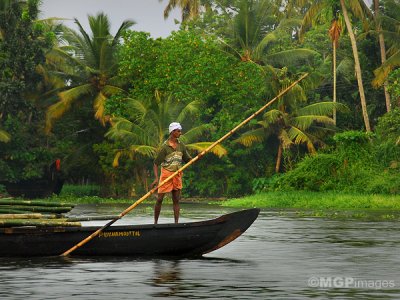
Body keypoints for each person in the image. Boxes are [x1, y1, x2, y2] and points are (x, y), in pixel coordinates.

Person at [151, 122, 192, 224]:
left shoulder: (181, 145)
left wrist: (197, 157)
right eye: (178, 131)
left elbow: (187, 159)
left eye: (180, 131)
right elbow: (156, 164)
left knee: (176, 200)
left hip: (177, 174)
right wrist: (156, 178)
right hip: (166, 174)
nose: (180, 133)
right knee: (160, 199)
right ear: (172, 132)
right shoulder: (165, 147)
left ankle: (176, 223)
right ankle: (155, 223)